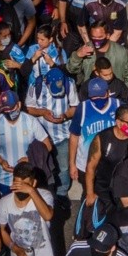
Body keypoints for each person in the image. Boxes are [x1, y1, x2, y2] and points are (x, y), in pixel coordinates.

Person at [25, 66, 78, 204]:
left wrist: (65, 116)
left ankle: (61, 193)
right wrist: (43, 113)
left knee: (63, 167)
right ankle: (44, 193)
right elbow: (29, 109)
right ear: (47, 84)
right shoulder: (35, 86)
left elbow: (75, 107)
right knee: (42, 167)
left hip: (63, 136)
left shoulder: (69, 84)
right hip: (41, 139)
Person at [0, 90, 52, 196]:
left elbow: (47, 145)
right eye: (5, 111)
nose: (9, 113)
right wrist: (1, 161)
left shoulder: (31, 121)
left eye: (12, 109)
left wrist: (30, 158)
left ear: (19, 104)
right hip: (5, 179)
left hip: (27, 179)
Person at [83, 104, 128, 211]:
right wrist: (90, 193)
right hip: (105, 191)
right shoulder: (102, 138)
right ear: (119, 123)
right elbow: (91, 167)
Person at [68, 78, 120, 189]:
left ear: (108, 92)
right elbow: (74, 136)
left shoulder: (118, 106)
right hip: (85, 164)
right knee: (88, 196)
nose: (98, 99)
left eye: (101, 96)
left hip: (113, 165)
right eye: (94, 97)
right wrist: (72, 164)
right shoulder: (82, 108)